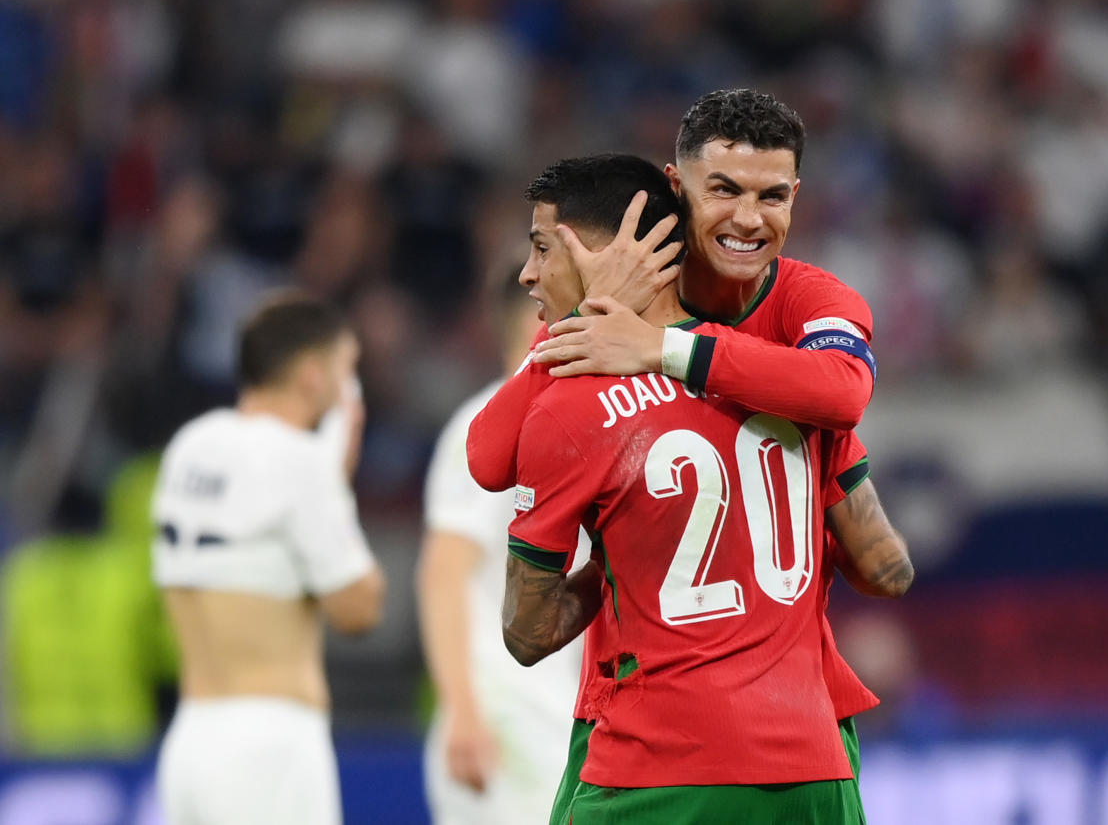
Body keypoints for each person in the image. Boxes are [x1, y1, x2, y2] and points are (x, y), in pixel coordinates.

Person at [468, 89, 911, 816]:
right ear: (674, 191)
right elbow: (883, 560)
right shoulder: (778, 379)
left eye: (772, 196)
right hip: (778, 739)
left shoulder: (804, 308)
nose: (747, 218)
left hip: (663, 742)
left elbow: (842, 395)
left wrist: (658, 348)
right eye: (725, 190)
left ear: (797, 198)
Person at [151, 292, 386, 825]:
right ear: (311, 374)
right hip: (268, 747)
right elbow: (358, 611)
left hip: (191, 740)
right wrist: (335, 482)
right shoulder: (300, 463)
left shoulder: (191, 445)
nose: (352, 390)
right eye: (347, 369)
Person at [418, 272, 589, 825]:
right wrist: (462, 711)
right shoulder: (481, 425)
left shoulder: (581, 419)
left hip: (557, 712)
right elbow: (442, 574)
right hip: (500, 715)